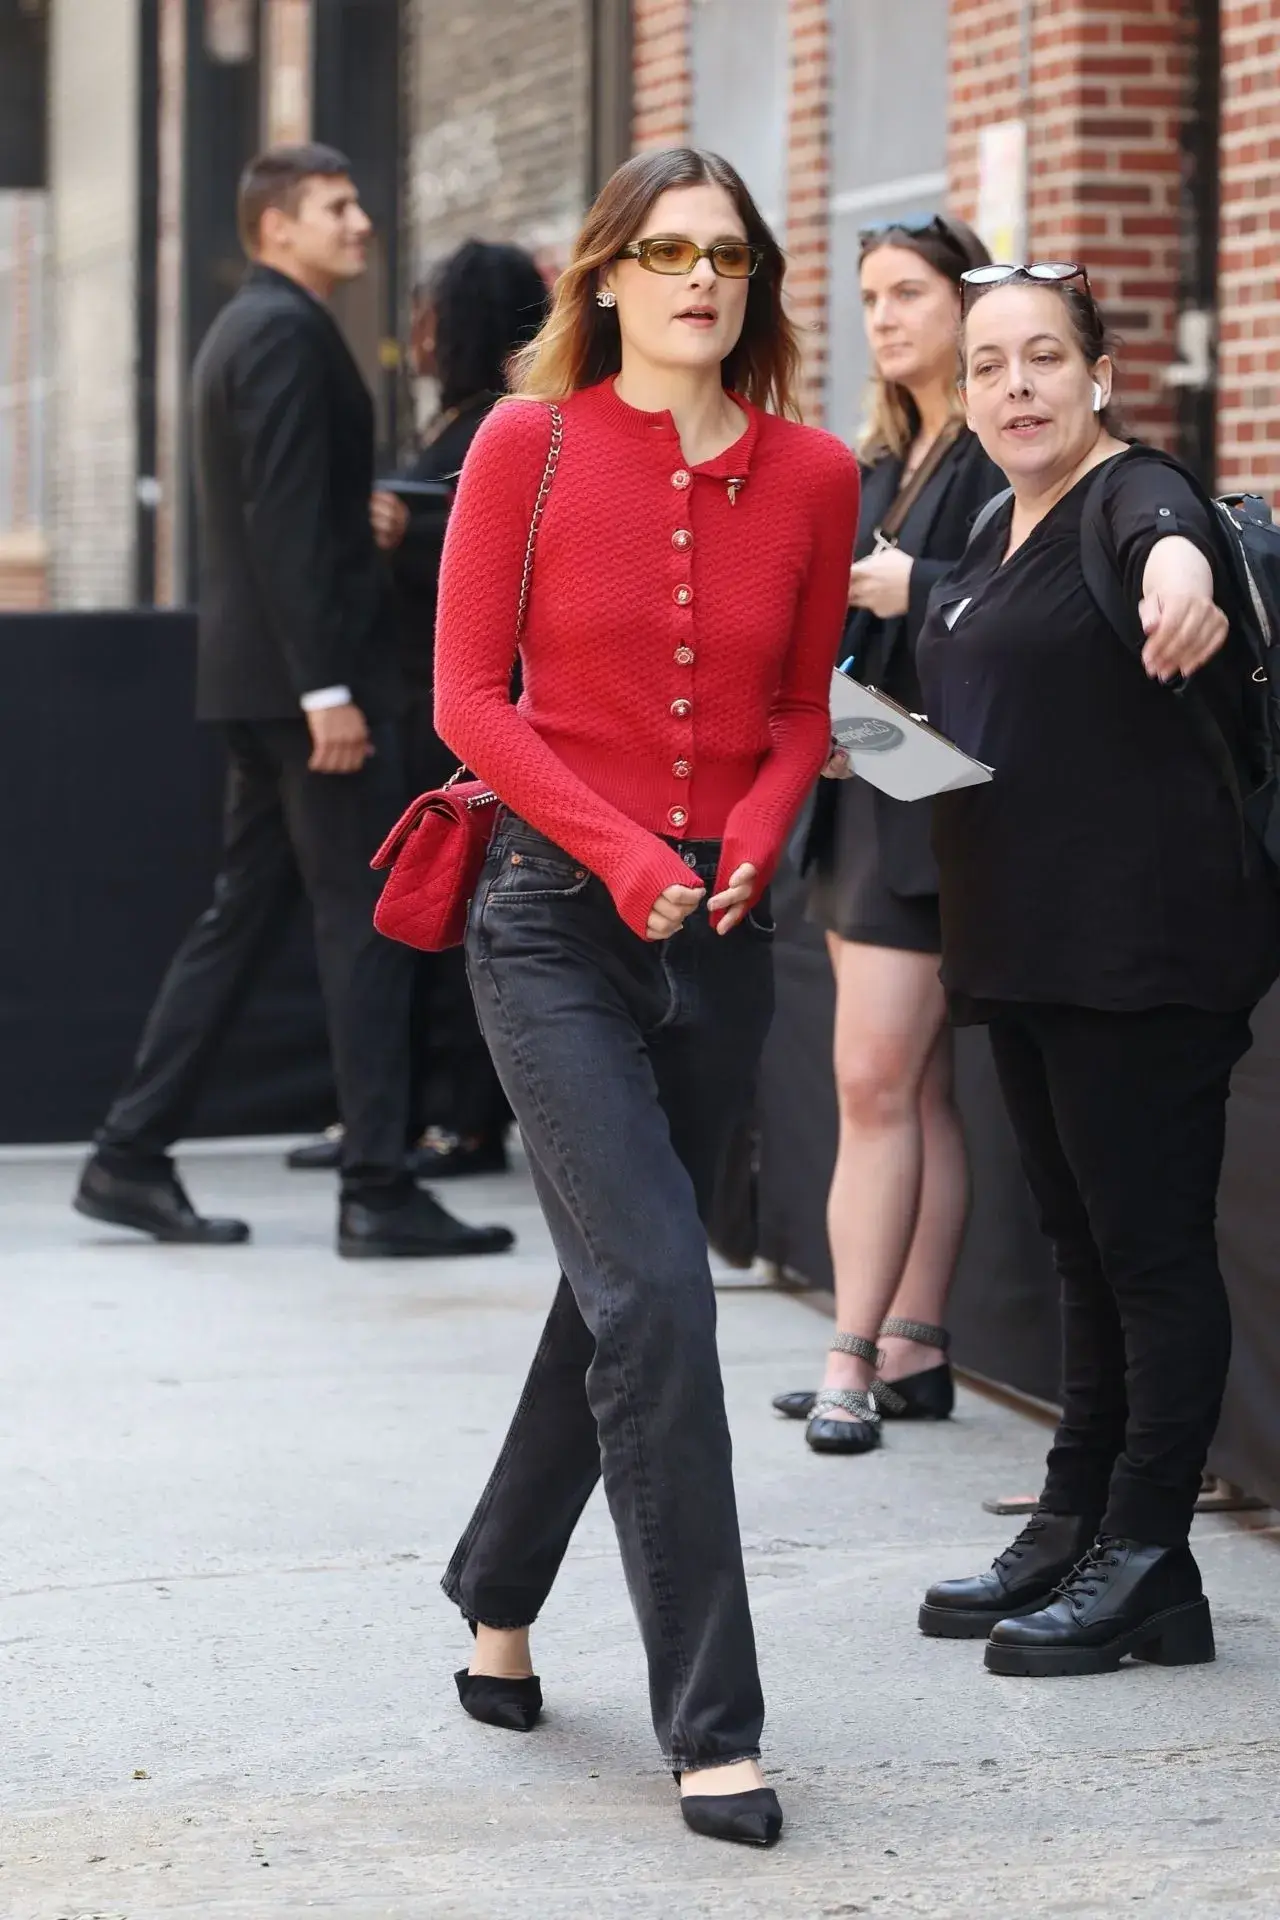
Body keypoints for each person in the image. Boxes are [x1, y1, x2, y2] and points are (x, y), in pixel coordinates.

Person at [432, 148, 858, 1843]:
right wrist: (621, 853)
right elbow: (470, 701)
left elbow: (804, 710)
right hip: (552, 920)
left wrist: (755, 834)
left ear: (753, 286)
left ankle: (492, 1589)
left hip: (728, 937)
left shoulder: (818, 473)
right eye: (665, 252)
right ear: (602, 277)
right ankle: (717, 1726)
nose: (698, 279)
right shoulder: (524, 448)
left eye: (728, 257)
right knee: (662, 1299)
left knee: (621, 1292)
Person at [913, 262, 1280, 1675]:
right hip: (1033, 941)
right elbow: (964, 629)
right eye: (990, 364)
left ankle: (1147, 1557)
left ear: (1098, 378)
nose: (1016, 386)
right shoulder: (1003, 523)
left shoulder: (1134, 492)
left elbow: (1171, 545)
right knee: (1082, 1253)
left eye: (1044, 359)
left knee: (1148, 1258)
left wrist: (1183, 585)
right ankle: (1075, 1518)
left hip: (1145, 946)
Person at [73, 144, 513, 1262]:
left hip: (265, 684)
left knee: (244, 917)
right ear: (276, 227)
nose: (360, 223)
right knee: (368, 929)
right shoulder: (278, 330)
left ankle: (128, 1155)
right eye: (337, 206)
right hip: (310, 690)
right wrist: (328, 689)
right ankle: (376, 1186)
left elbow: (292, 509)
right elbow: (278, 520)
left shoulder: (260, 328)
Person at [771, 213, 1004, 1456]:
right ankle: (913, 1344)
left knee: (874, 1083)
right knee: (906, 1087)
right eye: (869, 296)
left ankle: (852, 1357)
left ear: (966, 304)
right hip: (863, 784)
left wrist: (911, 590)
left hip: (932, 805)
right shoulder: (881, 459)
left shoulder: (991, 450)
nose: (885, 316)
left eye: (909, 290)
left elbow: (1018, 613)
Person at [286, 240, 549, 1181]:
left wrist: (414, 534)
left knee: (471, 925)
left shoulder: (508, 430)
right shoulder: (461, 426)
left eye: (434, 311)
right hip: (431, 709)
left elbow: (510, 562)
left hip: (488, 722)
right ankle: (396, 1117)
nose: (420, 332)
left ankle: (465, 1122)